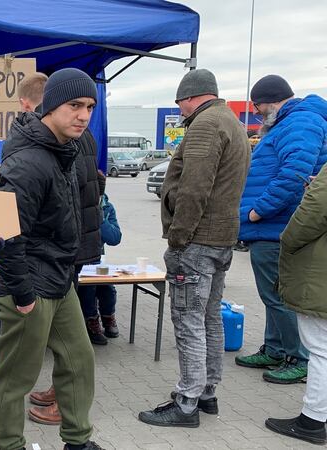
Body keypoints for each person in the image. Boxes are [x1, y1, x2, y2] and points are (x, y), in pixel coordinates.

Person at [0, 68, 101, 450]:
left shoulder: (62, 151)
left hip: (59, 279)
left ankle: (77, 440)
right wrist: (22, 294)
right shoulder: (29, 162)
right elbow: (6, 237)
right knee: (16, 376)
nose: (83, 115)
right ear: (51, 106)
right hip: (29, 287)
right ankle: (9, 444)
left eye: (89, 106)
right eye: (74, 105)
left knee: (79, 361)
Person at [138, 69, 250, 428]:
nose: (179, 108)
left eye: (179, 101)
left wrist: (178, 236)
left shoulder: (205, 125)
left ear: (190, 97)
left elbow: (194, 188)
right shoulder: (231, 123)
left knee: (188, 322)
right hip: (221, 239)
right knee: (210, 317)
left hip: (197, 242)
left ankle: (186, 403)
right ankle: (207, 393)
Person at [234, 75, 327, 385]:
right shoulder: (292, 122)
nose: (258, 115)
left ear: (271, 102)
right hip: (271, 227)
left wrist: (257, 212)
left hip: (276, 226)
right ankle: (275, 349)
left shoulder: (300, 122)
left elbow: (293, 174)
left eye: (258, 109)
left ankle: (298, 357)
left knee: (278, 295)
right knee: (270, 294)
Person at [265, 164, 327, 445]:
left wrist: (286, 241)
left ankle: (312, 420)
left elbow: (312, 215)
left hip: (320, 273)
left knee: (320, 349)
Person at [77, 172, 122, 345]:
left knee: (108, 287)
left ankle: (108, 317)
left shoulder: (107, 208)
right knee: (89, 287)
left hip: (97, 260)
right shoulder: (77, 207)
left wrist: (100, 217)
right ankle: (91, 320)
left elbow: (114, 238)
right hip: (79, 260)